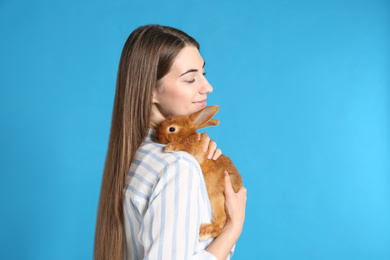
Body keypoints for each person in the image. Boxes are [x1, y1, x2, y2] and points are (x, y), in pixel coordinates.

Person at [94, 25, 247, 260]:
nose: (207, 87)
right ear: (150, 91)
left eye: (203, 74)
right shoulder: (177, 166)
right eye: (190, 79)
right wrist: (232, 228)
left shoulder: (134, 154)